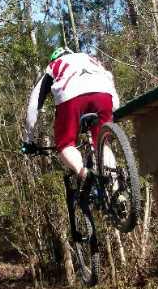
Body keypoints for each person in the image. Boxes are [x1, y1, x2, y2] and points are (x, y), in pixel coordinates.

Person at [22, 46, 119, 190]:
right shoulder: (90, 59)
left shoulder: (52, 66)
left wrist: (29, 139)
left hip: (70, 96)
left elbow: (34, 103)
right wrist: (113, 111)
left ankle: (84, 173)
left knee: (65, 145)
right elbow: (110, 83)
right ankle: (116, 188)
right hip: (103, 94)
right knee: (102, 143)